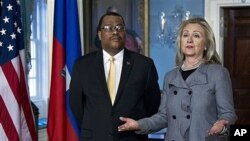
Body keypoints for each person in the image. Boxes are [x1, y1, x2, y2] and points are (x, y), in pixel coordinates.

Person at [118, 18, 237, 141]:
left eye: (196, 36)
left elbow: (228, 114)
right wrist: (138, 124)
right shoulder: (170, 77)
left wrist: (222, 125)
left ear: (206, 44)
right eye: (185, 35)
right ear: (180, 42)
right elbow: (164, 117)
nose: (189, 39)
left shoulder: (218, 73)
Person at [69, 12, 161, 141]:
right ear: (100, 35)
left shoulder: (144, 65)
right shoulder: (82, 65)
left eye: (120, 27)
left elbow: (153, 103)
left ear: (125, 33)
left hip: (132, 137)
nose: (115, 32)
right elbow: (76, 104)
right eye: (108, 28)